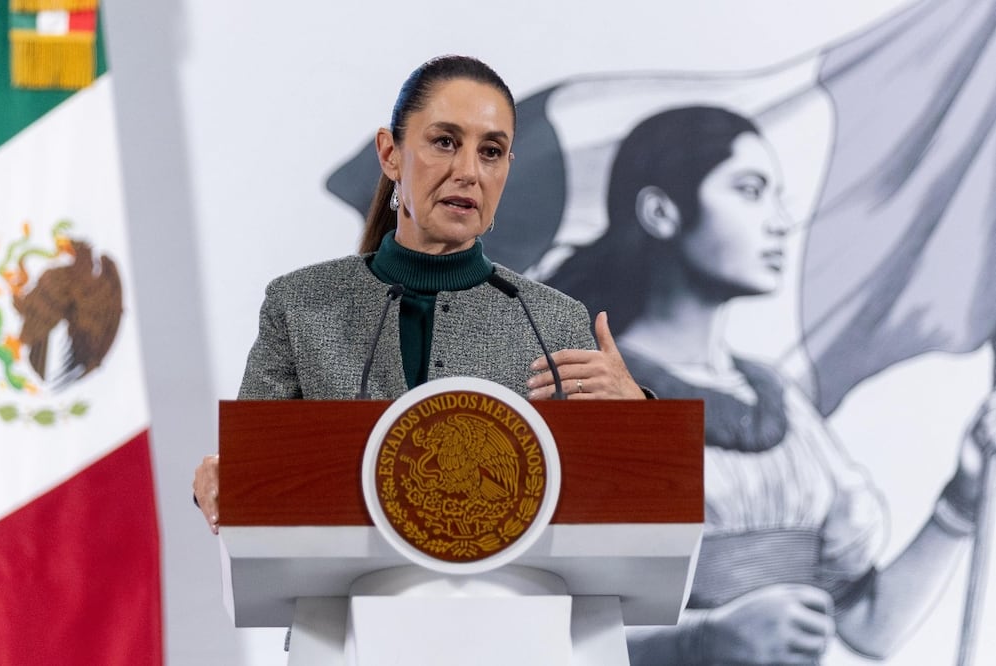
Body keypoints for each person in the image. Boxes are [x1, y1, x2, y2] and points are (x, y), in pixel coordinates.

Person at [546, 105, 996, 664]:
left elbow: (868, 626)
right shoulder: (596, 390)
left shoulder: (780, 401)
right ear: (662, 212)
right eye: (750, 190)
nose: (781, 220)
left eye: (778, 194)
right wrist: (701, 640)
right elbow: (552, 636)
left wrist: (962, 498)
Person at [193, 55, 650, 535]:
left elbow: (624, 502)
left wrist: (637, 420)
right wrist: (220, 478)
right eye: (445, 142)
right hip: (344, 606)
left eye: (491, 151)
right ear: (390, 154)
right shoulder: (301, 306)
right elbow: (247, 474)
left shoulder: (553, 322)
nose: (469, 171)